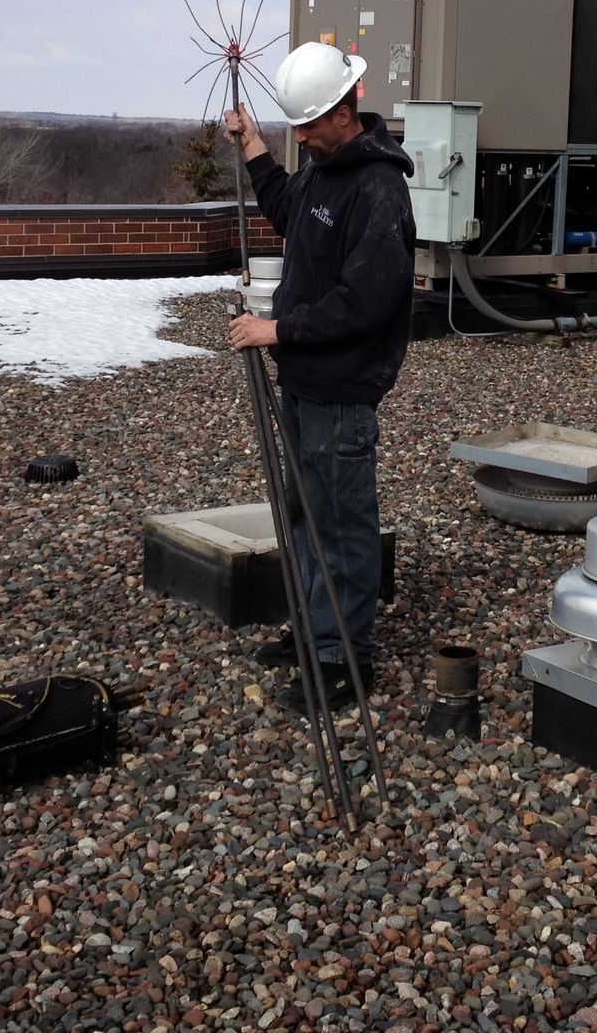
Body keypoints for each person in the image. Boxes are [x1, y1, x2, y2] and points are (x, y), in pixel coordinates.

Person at [224, 41, 416, 718]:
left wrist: (278, 330)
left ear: (344, 110)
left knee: (342, 523)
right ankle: (314, 631)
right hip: (304, 382)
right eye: (293, 127)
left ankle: (344, 657)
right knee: (304, 514)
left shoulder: (378, 190)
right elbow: (287, 213)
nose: (299, 137)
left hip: (340, 387)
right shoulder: (324, 172)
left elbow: (366, 302)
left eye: (306, 125)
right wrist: (252, 147)